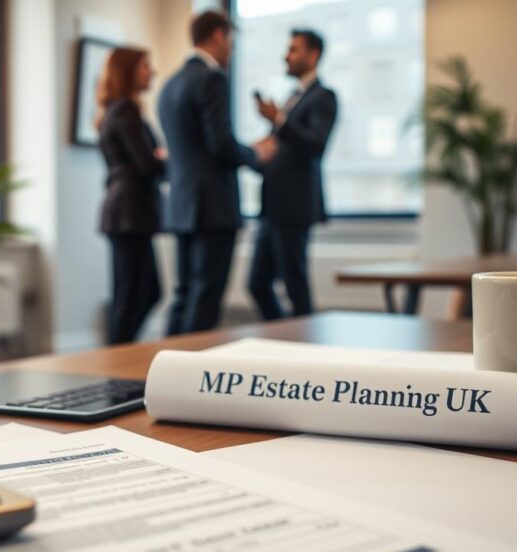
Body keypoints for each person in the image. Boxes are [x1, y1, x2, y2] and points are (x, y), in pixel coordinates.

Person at [158, 10, 277, 335]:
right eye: (231, 42)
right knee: (206, 295)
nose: (231, 51)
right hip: (212, 205)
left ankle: (162, 369)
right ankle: (190, 376)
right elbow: (221, 144)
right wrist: (256, 153)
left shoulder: (169, 85)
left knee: (183, 294)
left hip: (181, 204)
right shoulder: (212, 79)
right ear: (218, 36)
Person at [248, 29, 338, 320]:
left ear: (313, 55)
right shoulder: (292, 97)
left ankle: (303, 351)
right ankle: (282, 339)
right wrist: (252, 153)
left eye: (294, 50)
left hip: (294, 207)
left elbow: (315, 144)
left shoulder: (323, 97)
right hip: (271, 208)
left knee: (295, 286)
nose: (286, 55)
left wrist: (279, 121)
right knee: (257, 284)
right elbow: (279, 150)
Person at [96, 47, 166, 344]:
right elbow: (146, 164)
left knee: (145, 292)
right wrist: (165, 157)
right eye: (145, 67)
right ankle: (116, 359)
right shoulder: (125, 112)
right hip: (128, 214)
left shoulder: (121, 111)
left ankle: (120, 352)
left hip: (130, 214)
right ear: (128, 72)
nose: (151, 72)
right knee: (131, 295)